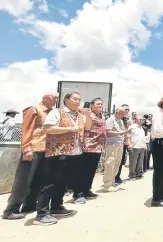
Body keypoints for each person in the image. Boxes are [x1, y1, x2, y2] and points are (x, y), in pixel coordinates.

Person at [34, 91, 88, 225]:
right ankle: (41, 214)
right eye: (75, 99)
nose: (78, 101)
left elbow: (87, 127)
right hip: (57, 153)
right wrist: (69, 129)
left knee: (63, 183)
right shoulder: (57, 112)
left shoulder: (80, 116)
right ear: (66, 100)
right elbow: (48, 128)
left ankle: (57, 207)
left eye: (79, 99)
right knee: (49, 183)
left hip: (74, 153)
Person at [2, 93, 58, 220]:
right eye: (54, 97)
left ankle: (29, 205)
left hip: (45, 149)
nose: (56, 99)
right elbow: (27, 129)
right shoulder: (34, 109)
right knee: (24, 180)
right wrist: (26, 148)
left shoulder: (52, 112)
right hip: (33, 148)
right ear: (45, 98)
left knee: (38, 180)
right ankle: (11, 209)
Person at [72, 98, 107, 204]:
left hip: (98, 147)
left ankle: (87, 190)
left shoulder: (102, 116)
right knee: (82, 171)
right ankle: (77, 193)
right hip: (86, 146)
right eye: (98, 104)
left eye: (101, 103)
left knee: (91, 171)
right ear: (92, 105)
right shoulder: (86, 114)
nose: (100, 105)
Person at [102, 107, 126, 192]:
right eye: (121, 113)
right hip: (112, 144)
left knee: (117, 164)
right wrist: (121, 133)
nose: (123, 115)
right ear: (116, 112)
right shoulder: (110, 120)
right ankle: (107, 185)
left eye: (124, 113)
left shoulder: (121, 121)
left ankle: (112, 182)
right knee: (110, 163)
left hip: (119, 144)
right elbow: (108, 132)